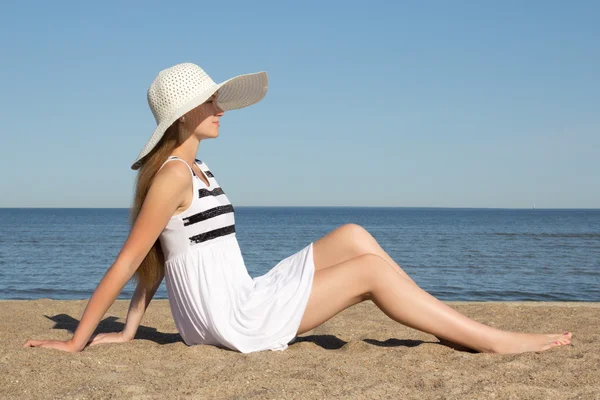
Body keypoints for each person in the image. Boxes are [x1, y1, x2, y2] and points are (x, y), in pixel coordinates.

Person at [24, 62, 571, 354]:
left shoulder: (199, 171)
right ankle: (488, 339)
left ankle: (449, 324)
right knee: (371, 271)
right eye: (212, 102)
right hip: (233, 319)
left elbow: (162, 257)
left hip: (244, 296)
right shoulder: (170, 176)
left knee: (355, 235)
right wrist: (78, 342)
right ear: (185, 114)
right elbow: (130, 260)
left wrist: (130, 328)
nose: (221, 109)